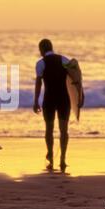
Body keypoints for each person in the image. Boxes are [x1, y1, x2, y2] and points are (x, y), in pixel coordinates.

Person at [33, 39, 71, 172]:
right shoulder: (65, 60)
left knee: (49, 129)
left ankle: (50, 156)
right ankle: (63, 159)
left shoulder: (40, 63)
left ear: (42, 49)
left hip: (49, 100)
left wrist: (36, 100)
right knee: (64, 130)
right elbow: (76, 78)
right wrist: (80, 95)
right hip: (64, 100)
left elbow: (38, 84)